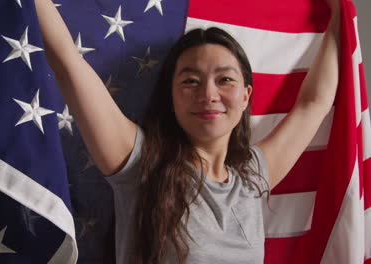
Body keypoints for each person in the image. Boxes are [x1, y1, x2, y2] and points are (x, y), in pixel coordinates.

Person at [34, 0, 340, 263]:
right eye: (190, 81)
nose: (208, 94)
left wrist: (340, 13)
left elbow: (314, 103)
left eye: (225, 80)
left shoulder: (252, 176)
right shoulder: (140, 162)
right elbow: (67, 62)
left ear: (246, 95)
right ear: (172, 95)